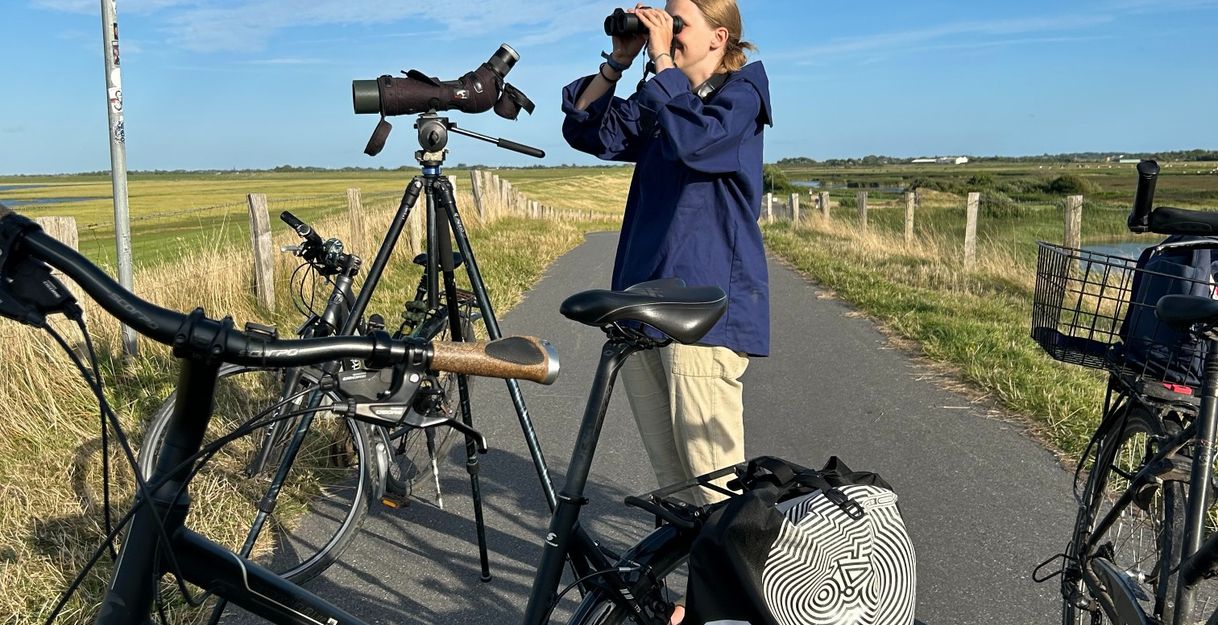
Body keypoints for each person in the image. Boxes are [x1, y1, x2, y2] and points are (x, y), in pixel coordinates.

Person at [561, 0, 771, 507]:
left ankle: (734, 586)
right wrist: (619, 61)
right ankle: (688, 587)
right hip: (641, 302)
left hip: (704, 311)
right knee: (671, 478)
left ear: (719, 37)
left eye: (679, 24)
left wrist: (661, 67)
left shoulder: (741, 97)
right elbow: (589, 131)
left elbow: (699, 142)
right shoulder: (665, 96)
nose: (667, 32)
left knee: (712, 480)